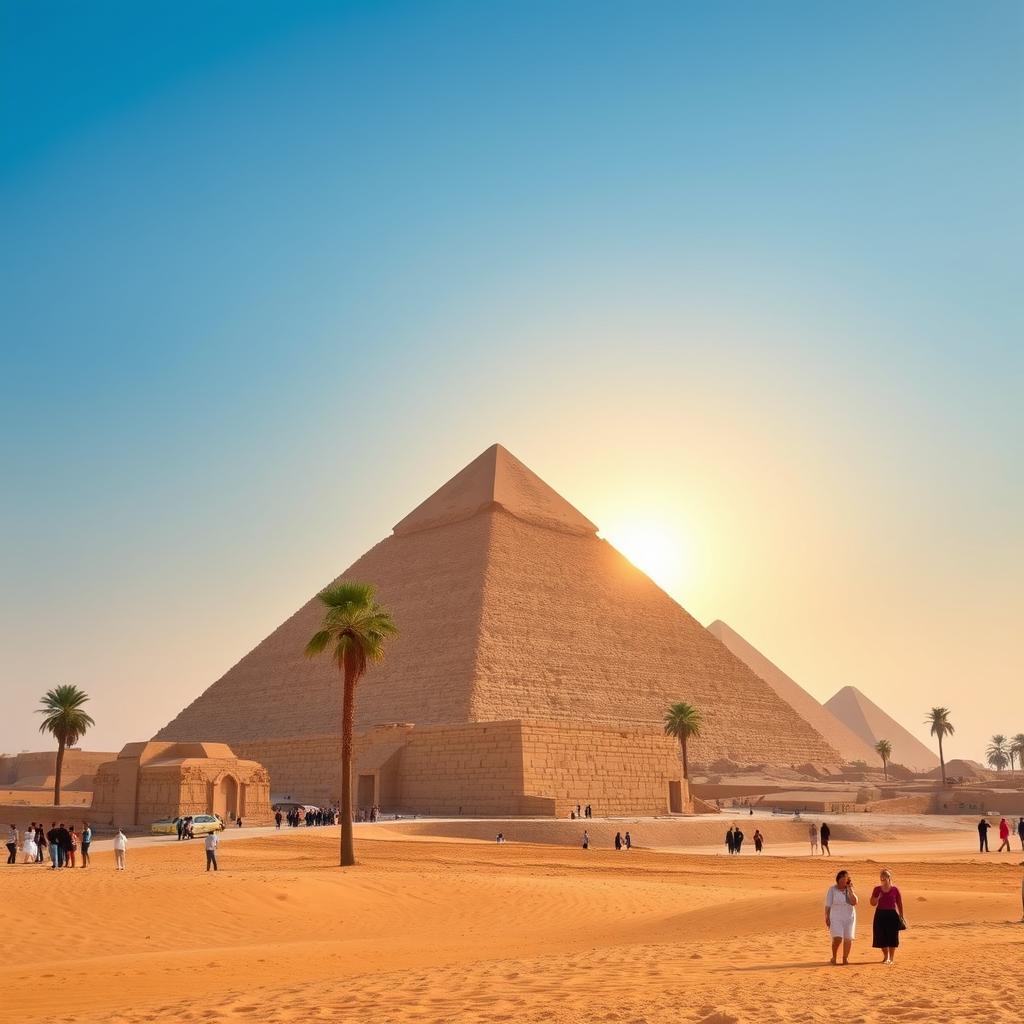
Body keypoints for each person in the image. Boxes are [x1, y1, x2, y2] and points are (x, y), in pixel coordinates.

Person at [870, 868, 905, 964]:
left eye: (884, 879)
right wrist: (877, 898)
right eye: (881, 879)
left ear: (889, 878)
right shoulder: (877, 889)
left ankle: (891, 958)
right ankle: (886, 956)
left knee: (892, 937)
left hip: (892, 915)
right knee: (880, 936)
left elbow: (899, 903)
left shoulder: (895, 890)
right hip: (880, 914)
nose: (882, 881)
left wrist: (901, 916)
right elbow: (872, 903)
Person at [824, 869, 858, 965]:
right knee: (837, 938)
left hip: (849, 916)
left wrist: (850, 890)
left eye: (845, 879)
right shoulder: (832, 889)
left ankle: (845, 958)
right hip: (836, 916)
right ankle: (834, 957)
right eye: (842, 879)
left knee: (848, 938)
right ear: (838, 880)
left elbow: (854, 902)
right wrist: (827, 917)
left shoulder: (849, 889)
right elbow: (828, 905)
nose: (843, 881)